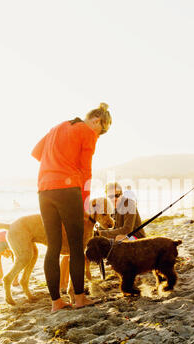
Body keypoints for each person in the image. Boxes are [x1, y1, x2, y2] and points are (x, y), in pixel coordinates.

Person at [31, 103, 112, 312]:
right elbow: (86, 171)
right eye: (101, 131)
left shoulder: (57, 127)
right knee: (77, 247)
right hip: (68, 190)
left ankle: (56, 302)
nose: (99, 136)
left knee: (53, 247)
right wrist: (85, 202)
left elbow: (36, 153)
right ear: (97, 121)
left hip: (44, 190)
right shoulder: (87, 132)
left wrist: (56, 160)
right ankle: (79, 299)